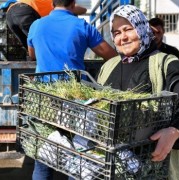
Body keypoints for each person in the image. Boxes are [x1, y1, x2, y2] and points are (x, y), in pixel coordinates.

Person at [96, 5, 179, 180]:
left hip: (154, 165)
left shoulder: (164, 62)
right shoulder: (109, 66)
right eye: (116, 33)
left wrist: (174, 131)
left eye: (127, 29)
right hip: (112, 165)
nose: (122, 37)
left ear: (142, 28)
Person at [27, 0, 117, 179]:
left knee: (44, 157)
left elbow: (32, 54)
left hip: (43, 100)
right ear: (73, 3)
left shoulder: (36, 25)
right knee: (78, 158)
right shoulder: (81, 25)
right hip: (76, 100)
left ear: (52, 3)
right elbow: (110, 55)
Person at [6, 0, 87, 49]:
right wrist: (84, 10)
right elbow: (80, 9)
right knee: (41, 43)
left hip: (9, 15)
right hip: (25, 10)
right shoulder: (59, 3)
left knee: (31, 47)